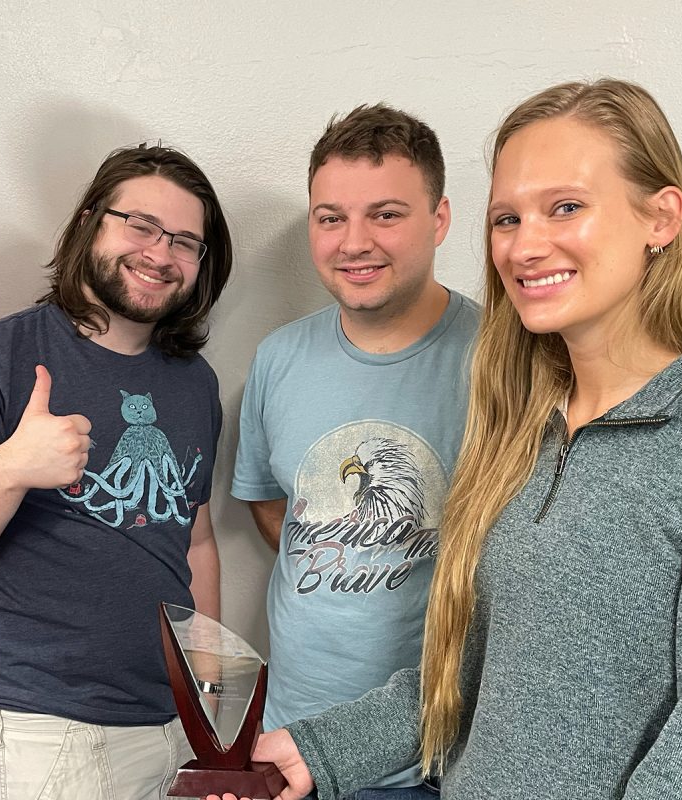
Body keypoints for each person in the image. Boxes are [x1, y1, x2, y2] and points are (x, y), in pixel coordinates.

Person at [229, 79, 682, 800]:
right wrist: (320, 747)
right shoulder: (523, 421)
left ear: (660, 217)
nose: (526, 245)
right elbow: (473, 672)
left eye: (565, 207)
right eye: (507, 218)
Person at [0, 143, 233, 800]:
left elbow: (195, 538)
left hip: (172, 724)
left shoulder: (195, 384)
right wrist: (13, 468)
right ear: (87, 223)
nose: (161, 254)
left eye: (186, 242)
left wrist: (210, 701)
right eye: (140, 225)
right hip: (49, 737)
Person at [231, 103, 477, 799]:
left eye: (387, 214)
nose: (354, 242)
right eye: (331, 217)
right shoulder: (277, 359)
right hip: (287, 744)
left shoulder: (500, 363)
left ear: (440, 220)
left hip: (436, 757)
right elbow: (275, 504)